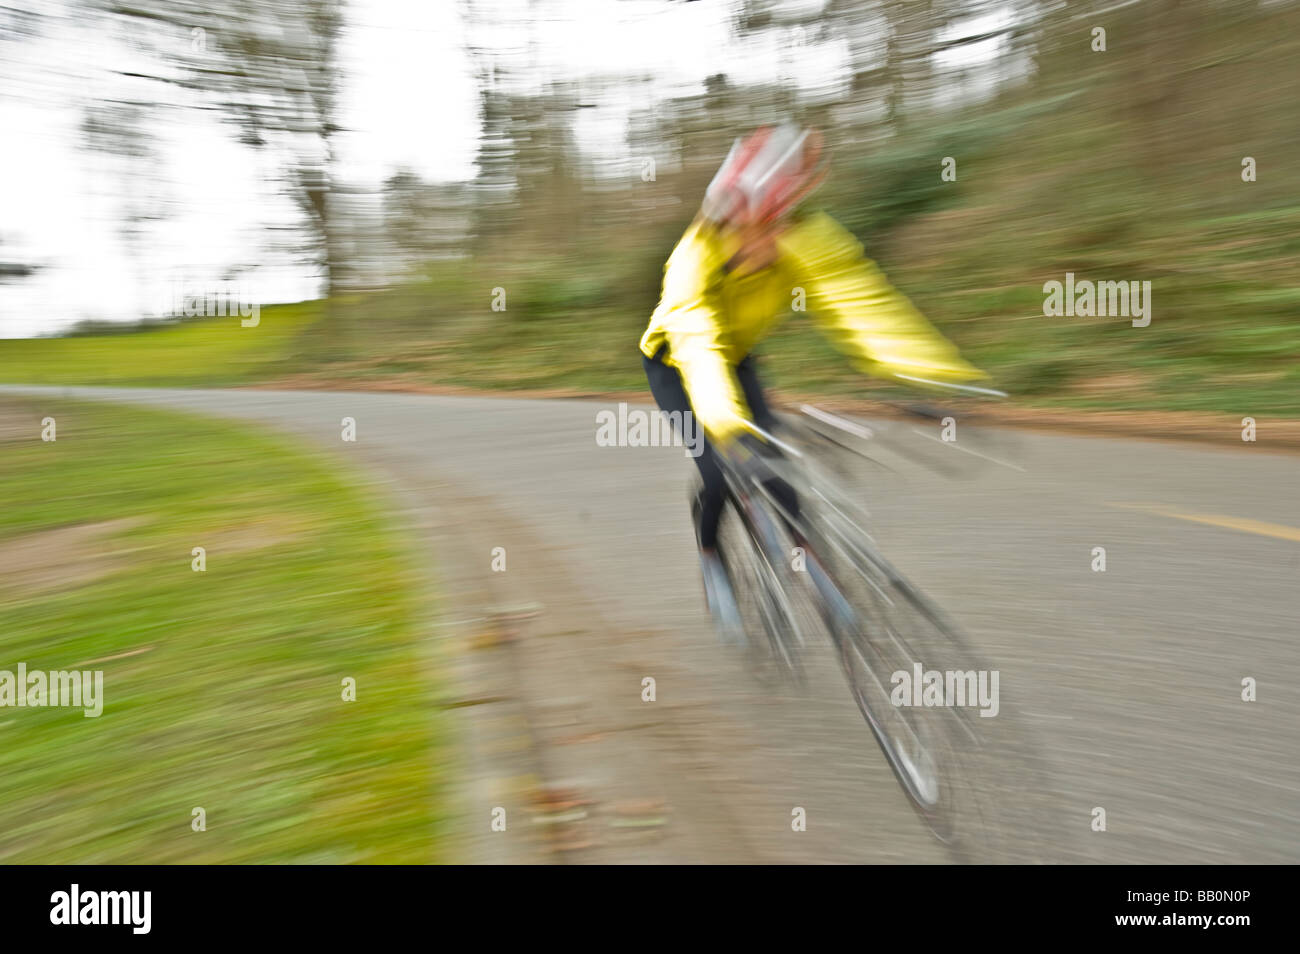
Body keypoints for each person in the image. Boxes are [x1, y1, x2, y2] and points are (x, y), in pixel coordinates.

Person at [639, 123, 988, 625]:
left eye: (779, 224)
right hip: (677, 362)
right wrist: (729, 428)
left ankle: (813, 563)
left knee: (777, 464)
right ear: (731, 221)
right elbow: (698, 347)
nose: (772, 241)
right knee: (719, 469)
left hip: (738, 356)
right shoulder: (692, 260)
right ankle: (711, 557)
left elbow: (863, 305)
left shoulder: (801, 237)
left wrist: (936, 375)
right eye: (759, 228)